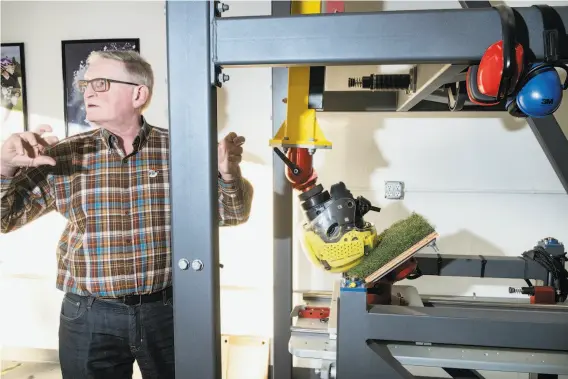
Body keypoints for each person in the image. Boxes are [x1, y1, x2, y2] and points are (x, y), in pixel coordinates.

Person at [0, 50, 254, 379]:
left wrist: (228, 175)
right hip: (89, 316)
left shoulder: (182, 149)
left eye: (100, 83)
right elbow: (5, 219)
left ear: (138, 94)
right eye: (85, 83)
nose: (87, 92)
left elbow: (232, 214)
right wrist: (4, 168)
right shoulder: (64, 155)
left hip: (166, 312)